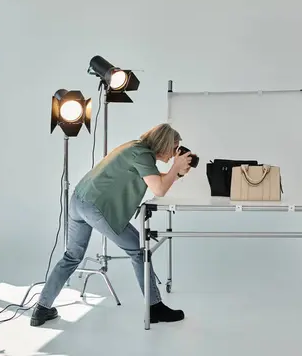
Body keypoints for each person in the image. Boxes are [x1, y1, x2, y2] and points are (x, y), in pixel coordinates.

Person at [30, 123, 193, 327]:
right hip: (97, 208)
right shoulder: (143, 155)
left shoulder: (136, 148)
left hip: (79, 201)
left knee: (71, 256)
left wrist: (175, 173)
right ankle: (155, 308)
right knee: (140, 251)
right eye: (174, 147)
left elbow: (155, 178)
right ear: (164, 143)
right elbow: (159, 189)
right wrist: (175, 169)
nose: (174, 153)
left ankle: (41, 309)